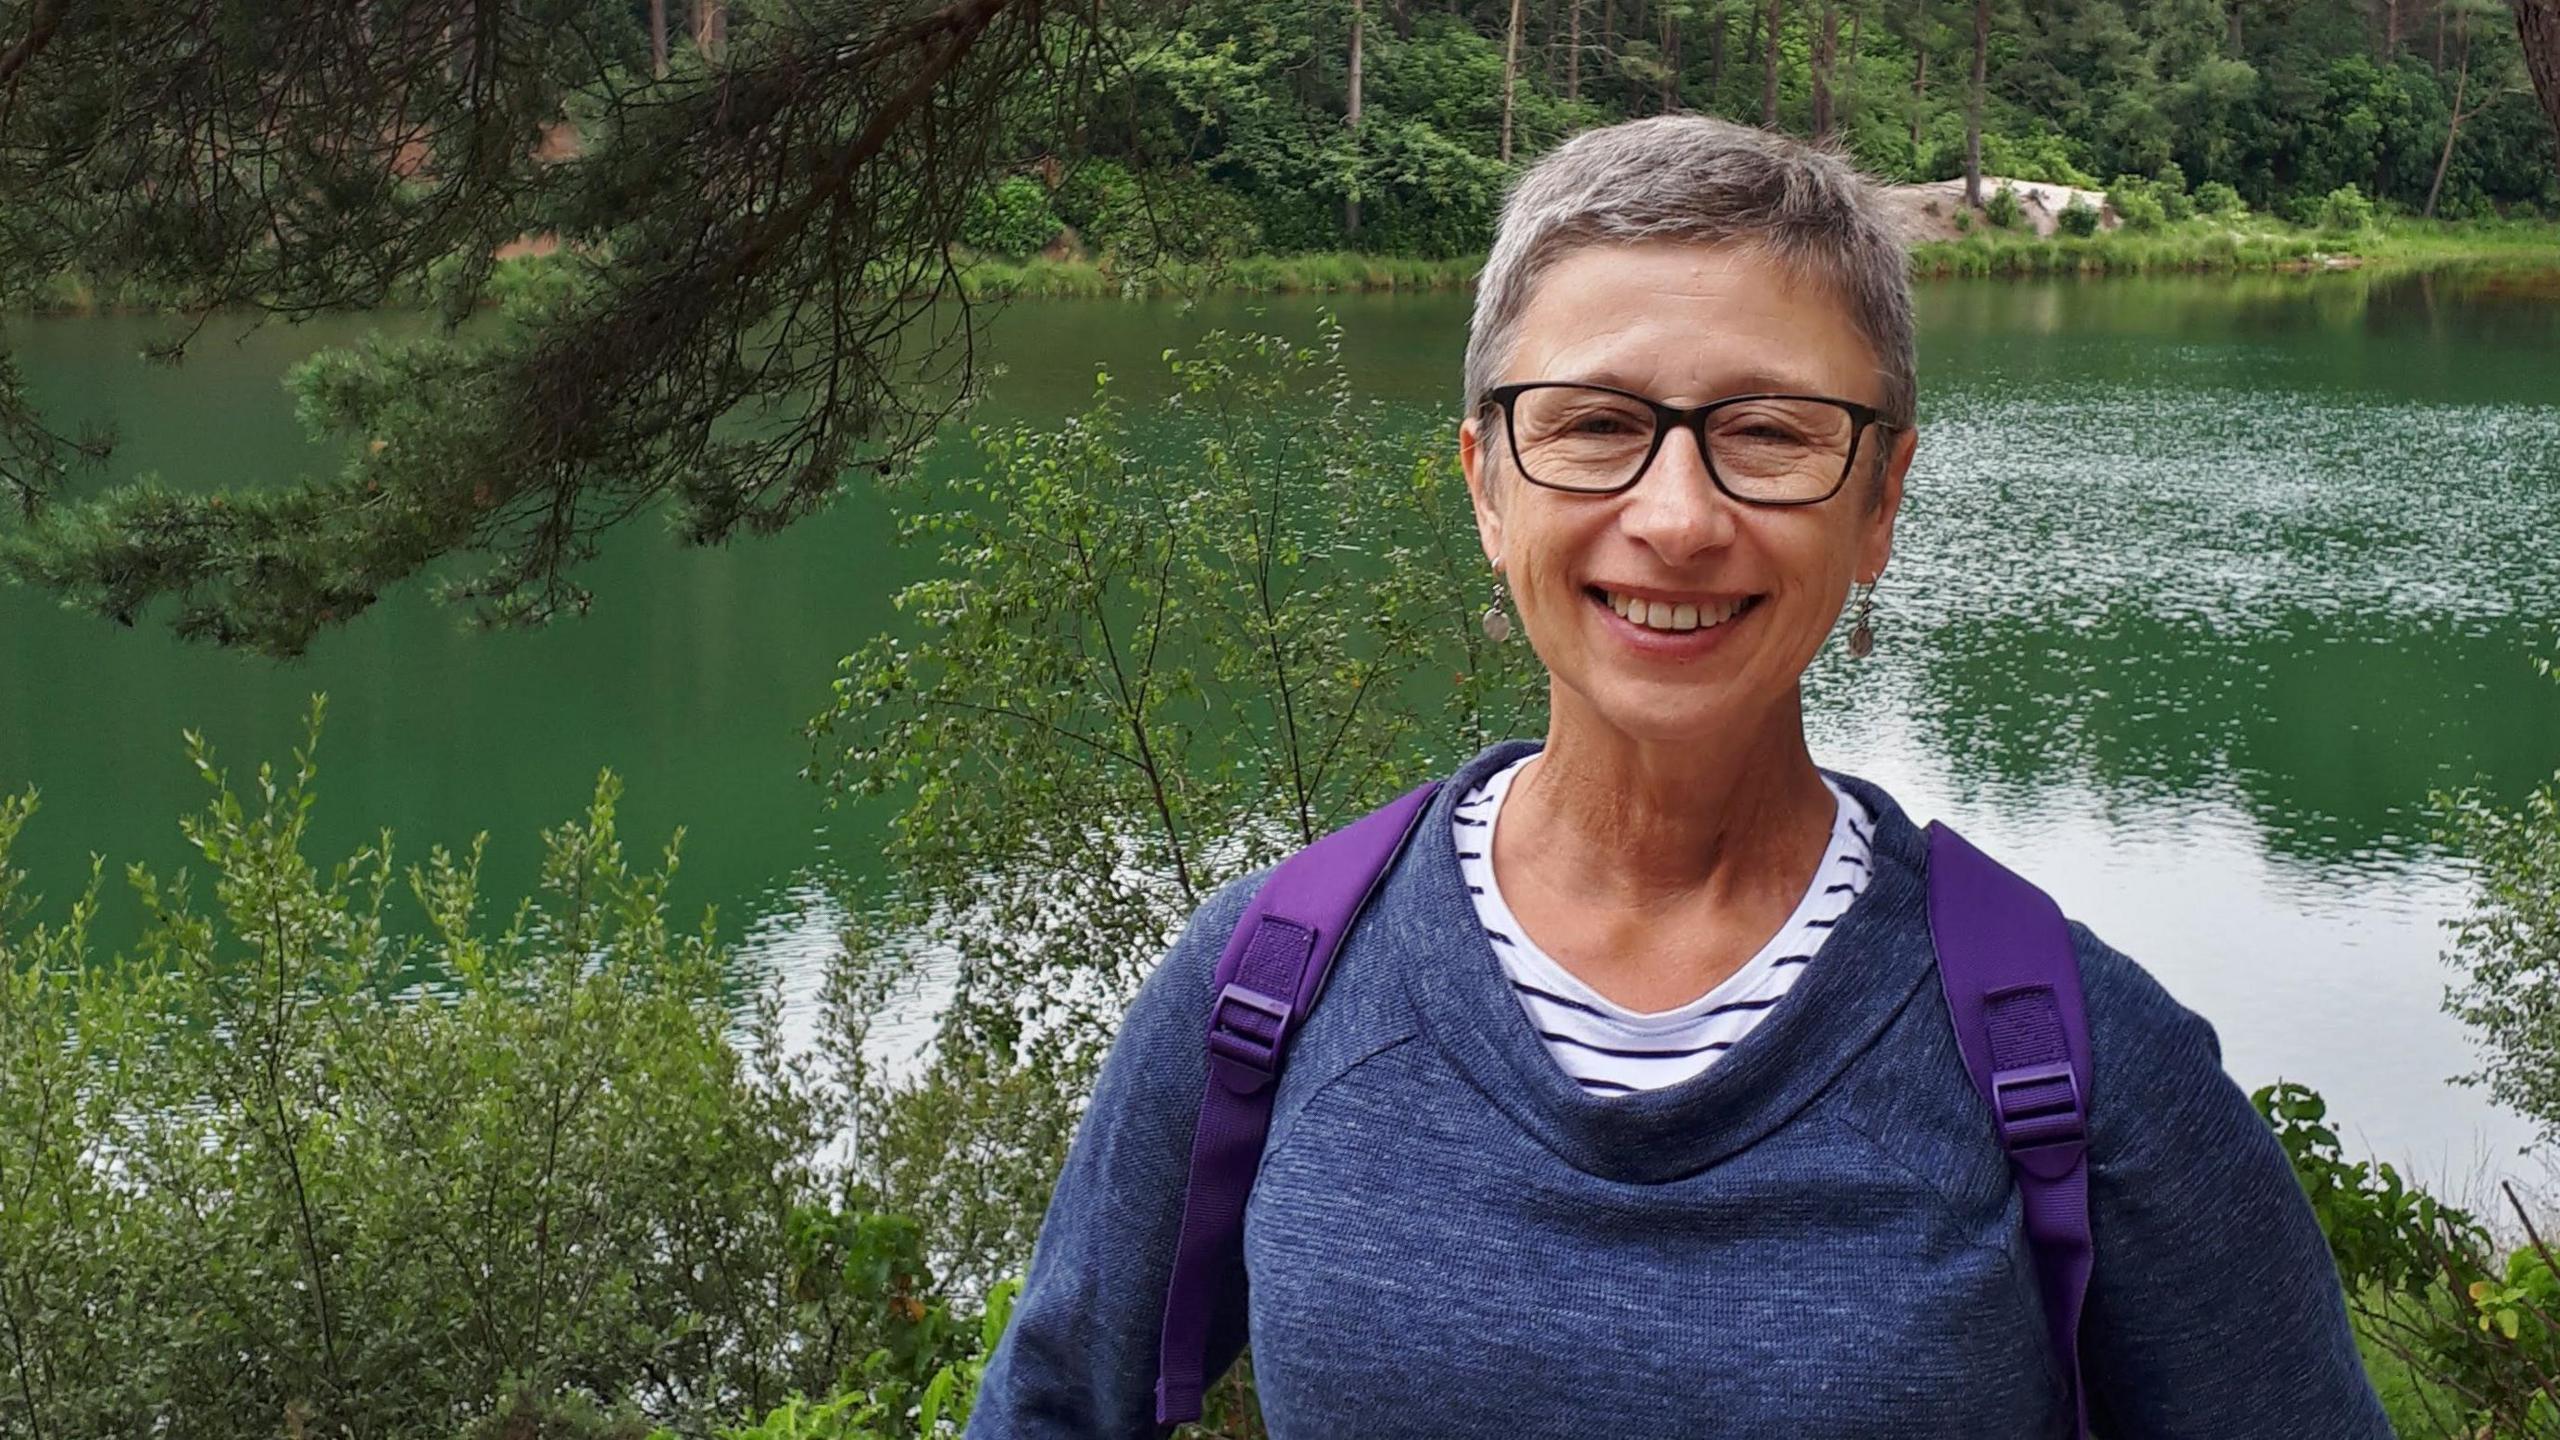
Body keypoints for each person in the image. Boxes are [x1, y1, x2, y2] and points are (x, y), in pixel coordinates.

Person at [965, 115, 2389, 1439]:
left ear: (1881, 500)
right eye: (1593, 424)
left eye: (1770, 434)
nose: (1678, 517)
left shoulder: (2066, 1052)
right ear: (1484, 482)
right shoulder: (1270, 987)